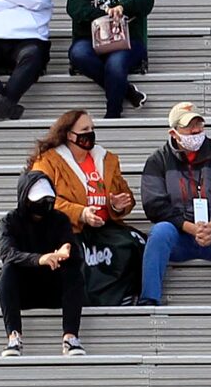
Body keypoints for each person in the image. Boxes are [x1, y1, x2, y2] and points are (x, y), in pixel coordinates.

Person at [137, 101, 211, 306]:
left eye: (199, 124)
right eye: (189, 126)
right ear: (173, 133)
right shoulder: (157, 161)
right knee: (160, 231)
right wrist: (190, 228)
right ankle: (148, 300)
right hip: (179, 238)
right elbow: (154, 205)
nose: (196, 130)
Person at [27, 107, 142, 304]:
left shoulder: (107, 159)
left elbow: (126, 196)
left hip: (105, 228)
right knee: (80, 258)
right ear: (69, 134)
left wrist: (116, 206)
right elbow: (44, 201)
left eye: (92, 127)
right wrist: (81, 213)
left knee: (134, 244)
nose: (90, 133)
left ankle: (125, 296)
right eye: (84, 129)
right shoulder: (48, 162)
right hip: (69, 229)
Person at [0, 170, 85, 358]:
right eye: (39, 201)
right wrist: (39, 259)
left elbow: (73, 252)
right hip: (24, 291)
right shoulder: (10, 221)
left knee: (73, 272)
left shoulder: (59, 220)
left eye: (48, 200)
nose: (44, 205)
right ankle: (14, 337)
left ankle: (70, 337)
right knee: (7, 272)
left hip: (54, 290)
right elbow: (7, 253)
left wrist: (66, 250)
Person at [64, 0, 151, 118]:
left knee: (116, 63)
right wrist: (103, 13)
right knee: (78, 54)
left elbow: (146, 0)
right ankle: (127, 90)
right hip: (91, 39)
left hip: (126, 41)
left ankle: (113, 113)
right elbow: (74, 6)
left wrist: (123, 6)